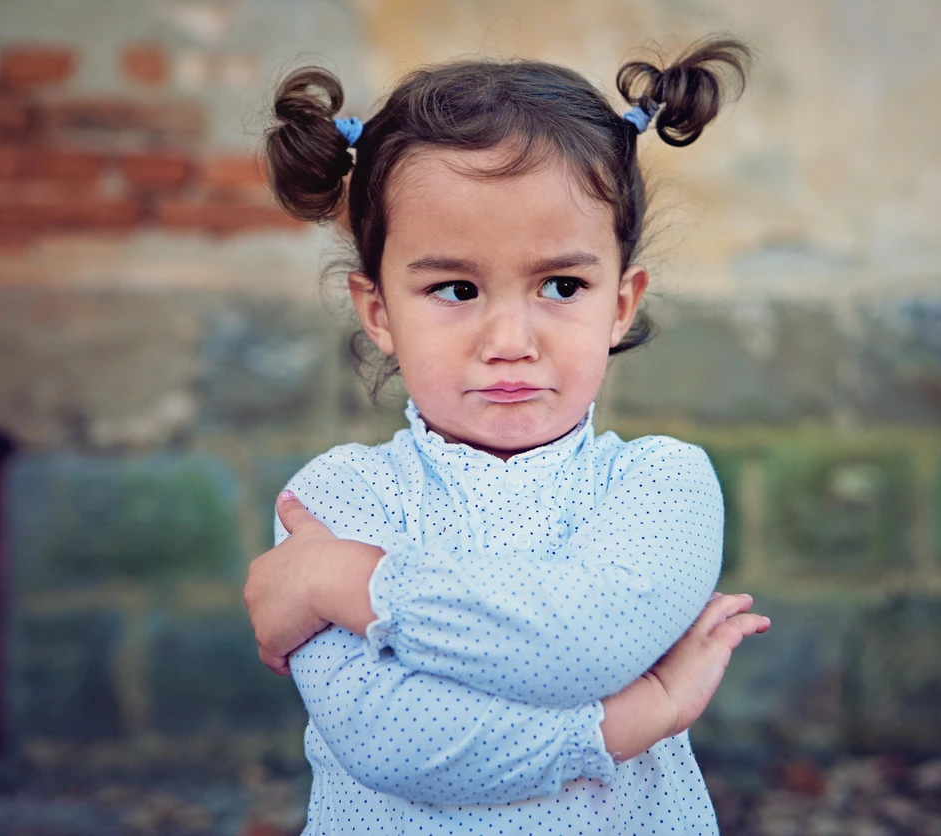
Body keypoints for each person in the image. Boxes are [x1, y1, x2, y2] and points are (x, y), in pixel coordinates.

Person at [242, 34, 769, 835]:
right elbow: (395, 742)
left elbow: (584, 640)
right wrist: (629, 720)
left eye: (562, 284)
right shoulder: (332, 500)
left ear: (621, 303)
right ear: (378, 310)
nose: (510, 339)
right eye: (455, 288)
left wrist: (352, 586)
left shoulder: (662, 484)